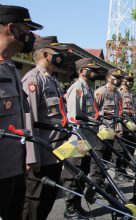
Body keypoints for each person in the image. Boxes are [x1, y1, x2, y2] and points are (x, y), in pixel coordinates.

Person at [0, 5, 42, 220]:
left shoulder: (10, 69)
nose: (30, 37)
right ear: (11, 29)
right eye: (26, 30)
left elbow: (22, 119)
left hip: (14, 168)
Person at [22, 36, 68, 220]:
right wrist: (32, 157)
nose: (61, 58)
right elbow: (28, 120)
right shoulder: (33, 80)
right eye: (58, 54)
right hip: (40, 157)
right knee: (34, 205)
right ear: (46, 54)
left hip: (55, 154)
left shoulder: (54, 82)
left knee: (47, 203)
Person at [62, 57, 102, 219]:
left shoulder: (87, 87)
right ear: (82, 71)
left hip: (86, 139)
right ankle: (70, 208)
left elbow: (86, 113)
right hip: (77, 139)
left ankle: (77, 205)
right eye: (90, 69)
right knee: (73, 175)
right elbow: (73, 117)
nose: (93, 72)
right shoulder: (77, 87)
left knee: (82, 173)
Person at [92, 69, 123, 184]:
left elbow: (118, 113)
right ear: (109, 78)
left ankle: (103, 183)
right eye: (116, 77)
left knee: (106, 158)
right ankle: (96, 185)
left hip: (112, 131)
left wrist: (118, 129)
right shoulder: (101, 92)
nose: (118, 80)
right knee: (98, 158)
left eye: (120, 78)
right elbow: (94, 112)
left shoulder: (117, 94)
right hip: (102, 131)